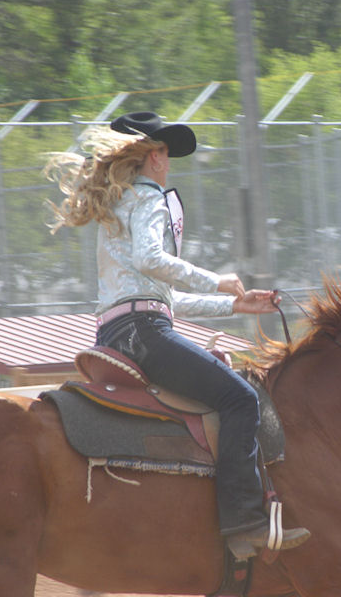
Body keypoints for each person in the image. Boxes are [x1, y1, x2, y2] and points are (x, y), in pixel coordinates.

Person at [44, 111, 310, 558]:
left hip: (116, 333)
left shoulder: (117, 206)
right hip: (145, 333)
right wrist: (216, 280)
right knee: (240, 399)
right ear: (153, 156)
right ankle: (244, 519)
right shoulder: (149, 196)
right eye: (165, 151)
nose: (169, 161)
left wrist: (235, 305)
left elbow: (158, 296)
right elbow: (152, 261)